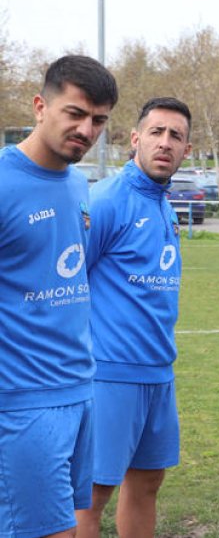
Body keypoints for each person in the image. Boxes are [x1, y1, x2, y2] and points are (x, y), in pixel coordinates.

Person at [0, 55, 117, 538]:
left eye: (99, 120)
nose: (87, 130)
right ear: (40, 106)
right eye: (75, 113)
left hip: (79, 392)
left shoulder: (76, 184)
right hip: (22, 402)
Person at [75, 98, 192, 538]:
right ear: (135, 139)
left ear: (187, 149)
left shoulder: (164, 205)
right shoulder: (105, 200)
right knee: (91, 496)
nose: (165, 143)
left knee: (146, 483)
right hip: (109, 375)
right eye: (157, 132)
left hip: (159, 373)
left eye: (175, 136)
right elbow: (68, 281)